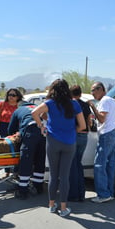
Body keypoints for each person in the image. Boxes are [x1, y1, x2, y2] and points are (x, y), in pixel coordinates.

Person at [32, 79, 86, 217]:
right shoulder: (74, 104)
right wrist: (73, 130)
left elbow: (34, 113)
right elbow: (83, 126)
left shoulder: (50, 103)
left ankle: (51, 205)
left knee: (53, 175)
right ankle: (63, 208)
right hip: (69, 143)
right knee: (64, 176)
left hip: (53, 141)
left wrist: (42, 126)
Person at [7, 101, 46, 200]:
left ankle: (23, 190)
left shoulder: (18, 110)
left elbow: (10, 129)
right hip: (42, 131)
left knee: (26, 161)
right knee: (40, 159)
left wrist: (16, 135)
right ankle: (38, 187)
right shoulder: (37, 106)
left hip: (30, 131)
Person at [88, 82, 115, 203]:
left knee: (99, 165)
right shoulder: (111, 100)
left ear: (100, 89)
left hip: (106, 135)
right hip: (113, 133)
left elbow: (101, 118)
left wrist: (92, 107)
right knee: (110, 165)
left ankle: (103, 194)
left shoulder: (105, 101)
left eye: (93, 90)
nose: (92, 94)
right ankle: (109, 193)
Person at [68, 85, 93, 202]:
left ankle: (73, 194)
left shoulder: (71, 105)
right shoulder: (86, 105)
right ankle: (81, 193)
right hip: (85, 136)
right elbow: (89, 122)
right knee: (78, 164)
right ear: (80, 93)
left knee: (72, 165)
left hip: (75, 134)